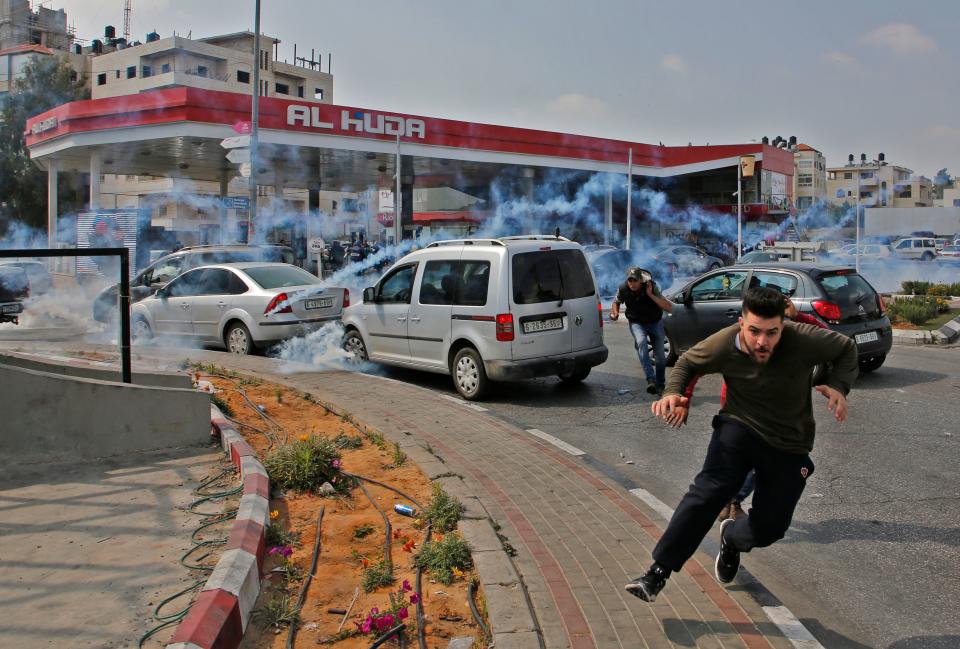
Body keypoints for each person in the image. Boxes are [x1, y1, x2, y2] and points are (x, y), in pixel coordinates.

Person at [624, 287, 857, 602]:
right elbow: (687, 363)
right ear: (742, 322)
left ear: (782, 327)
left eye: (772, 333)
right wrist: (673, 394)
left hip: (788, 442)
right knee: (708, 491)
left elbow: (845, 348)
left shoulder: (801, 339)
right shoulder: (725, 341)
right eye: (754, 332)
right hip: (739, 426)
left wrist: (839, 387)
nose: (762, 342)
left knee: (771, 528)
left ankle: (732, 538)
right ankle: (657, 573)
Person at [609, 266, 673, 394]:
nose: (632, 284)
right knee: (641, 342)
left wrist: (650, 295)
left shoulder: (651, 286)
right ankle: (651, 379)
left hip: (655, 322)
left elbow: (668, 307)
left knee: (660, 357)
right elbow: (616, 302)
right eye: (630, 281)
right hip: (637, 322)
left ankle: (660, 384)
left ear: (640, 280)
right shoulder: (623, 288)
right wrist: (614, 313)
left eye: (635, 281)